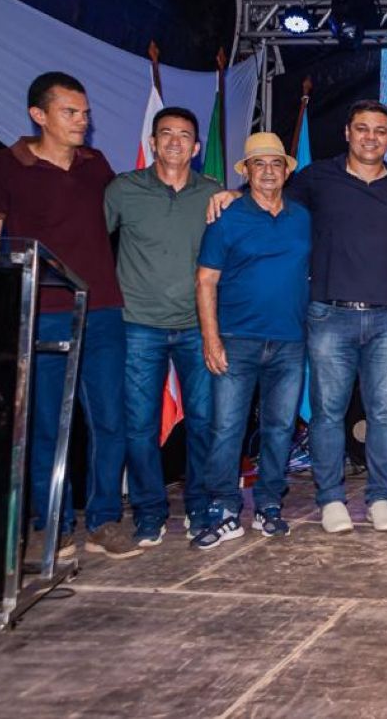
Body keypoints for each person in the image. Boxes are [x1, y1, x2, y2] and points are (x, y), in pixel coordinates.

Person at [212, 100, 387, 534]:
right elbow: (269, 197)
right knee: (328, 412)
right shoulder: (316, 177)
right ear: (347, 132)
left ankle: (380, 496)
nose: (370, 137)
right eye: (362, 128)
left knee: (385, 413)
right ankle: (331, 499)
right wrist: (233, 194)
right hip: (329, 315)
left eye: (380, 130)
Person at [0, 72, 138, 560]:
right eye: (71, 112)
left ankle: (104, 521)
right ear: (38, 114)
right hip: (41, 312)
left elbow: (134, 211)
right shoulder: (3, 165)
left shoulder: (96, 164)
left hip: (103, 309)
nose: (82, 121)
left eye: (85, 112)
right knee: (45, 423)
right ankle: (53, 525)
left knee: (110, 419)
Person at [104, 106, 221, 545]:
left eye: (184, 135)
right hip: (139, 324)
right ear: (152, 142)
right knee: (139, 425)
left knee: (204, 422)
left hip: (197, 326)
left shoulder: (213, 193)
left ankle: (200, 507)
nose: (175, 141)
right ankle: (149, 512)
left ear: (196, 146)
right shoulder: (123, 189)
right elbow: (92, 244)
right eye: (166, 133)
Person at [192, 133, 310, 548]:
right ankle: (224, 509)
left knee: (280, 429)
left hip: (290, 342)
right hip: (236, 340)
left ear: (286, 171)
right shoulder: (227, 216)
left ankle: (269, 505)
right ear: (248, 171)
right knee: (227, 428)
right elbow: (206, 280)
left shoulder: (302, 217)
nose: (268, 171)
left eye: (276, 163)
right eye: (259, 164)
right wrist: (211, 339)